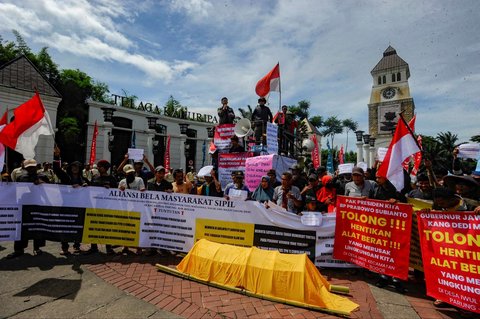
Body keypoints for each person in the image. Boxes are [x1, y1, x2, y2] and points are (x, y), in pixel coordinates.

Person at [6, 159, 47, 258]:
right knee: (21, 228)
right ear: (25, 168)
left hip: (38, 207)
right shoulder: (21, 178)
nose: (31, 169)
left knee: (37, 227)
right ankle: (19, 249)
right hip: (24, 207)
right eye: (29, 167)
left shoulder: (43, 177)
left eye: (33, 166)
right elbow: (16, 191)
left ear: (36, 166)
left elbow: (51, 191)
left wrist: (43, 184)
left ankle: (37, 248)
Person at [85, 160, 117, 255]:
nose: (98, 168)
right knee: (93, 227)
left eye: (100, 166)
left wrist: (110, 188)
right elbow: (91, 188)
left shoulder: (112, 179)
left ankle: (108, 247)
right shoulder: (95, 177)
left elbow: (116, 192)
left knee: (106, 227)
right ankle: (93, 247)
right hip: (95, 206)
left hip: (107, 207)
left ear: (105, 168)